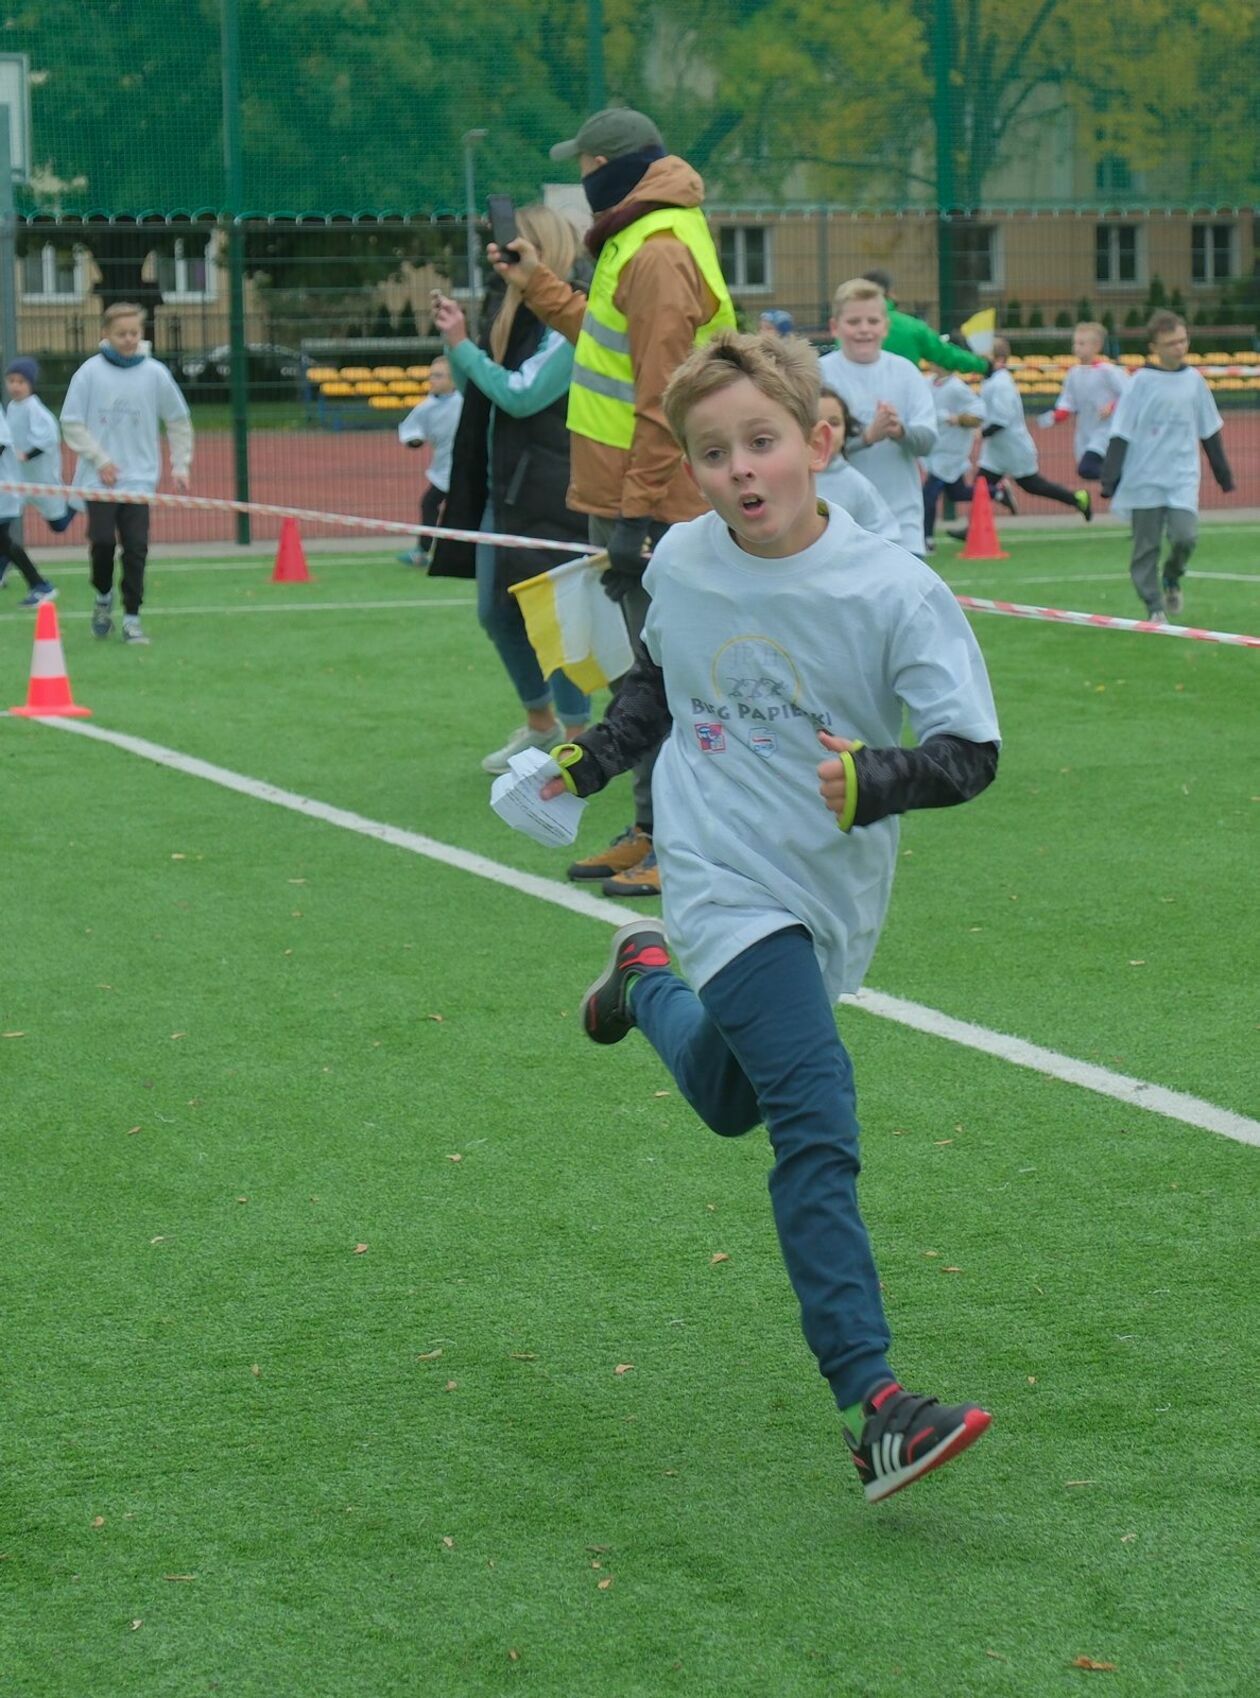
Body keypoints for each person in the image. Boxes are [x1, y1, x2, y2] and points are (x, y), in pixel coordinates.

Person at [534, 330, 999, 1503]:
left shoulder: (896, 586)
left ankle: (643, 982)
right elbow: (658, 687)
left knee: (741, 1097)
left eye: (762, 442)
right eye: (713, 453)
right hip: (720, 874)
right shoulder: (685, 564)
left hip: (826, 890)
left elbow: (971, 753)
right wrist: (585, 765)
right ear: (691, 472)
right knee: (815, 1114)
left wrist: (875, 781)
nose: (740, 470)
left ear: (821, 443)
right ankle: (873, 1408)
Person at [486, 104, 736, 898]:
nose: (582, 184)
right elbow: (602, 337)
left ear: (615, 168)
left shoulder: (658, 250)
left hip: (656, 506)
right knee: (642, 679)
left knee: (672, 683)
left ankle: (684, 844)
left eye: (587, 169)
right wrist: (535, 283)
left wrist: (635, 514)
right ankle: (653, 830)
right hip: (633, 500)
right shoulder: (638, 238)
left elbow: (665, 398)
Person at [428, 206, 592, 772]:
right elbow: (495, 388)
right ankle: (542, 724)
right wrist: (458, 341)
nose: (501, 256)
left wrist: (463, 348)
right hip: (507, 492)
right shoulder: (516, 312)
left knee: (558, 618)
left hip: (551, 494)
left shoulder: (574, 319)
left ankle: (578, 735)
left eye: (512, 245)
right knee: (497, 613)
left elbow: (522, 394)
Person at [60, 302, 192, 646]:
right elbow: (71, 424)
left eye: (135, 332)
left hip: (139, 479)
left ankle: (132, 618)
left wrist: (181, 464)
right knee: (102, 543)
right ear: (106, 334)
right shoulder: (89, 373)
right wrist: (100, 459)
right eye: (122, 333)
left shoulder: (155, 373)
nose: (129, 339)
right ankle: (103, 597)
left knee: (136, 548)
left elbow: (178, 420)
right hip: (98, 480)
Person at [1101, 310, 1234, 623]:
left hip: (1182, 477)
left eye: (1183, 340)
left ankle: (1172, 576)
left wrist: (1223, 475)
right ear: (1154, 347)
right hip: (1144, 477)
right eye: (1171, 342)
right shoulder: (1140, 383)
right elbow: (1121, 431)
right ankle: (1154, 606)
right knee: (1146, 548)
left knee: (1186, 537)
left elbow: (1209, 431)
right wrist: (1110, 478)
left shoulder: (1195, 382)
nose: (1179, 347)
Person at [818, 280, 937, 554]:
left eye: (872, 321)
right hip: (836, 526)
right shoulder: (819, 375)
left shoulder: (905, 373)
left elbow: (928, 442)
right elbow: (807, 449)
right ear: (835, 327)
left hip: (901, 523)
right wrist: (868, 437)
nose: (864, 329)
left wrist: (900, 431)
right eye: (854, 321)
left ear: (885, 326)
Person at [950, 337, 1091, 536]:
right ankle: (973, 529)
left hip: (1014, 447)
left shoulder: (1002, 384)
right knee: (981, 483)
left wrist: (983, 432)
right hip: (997, 449)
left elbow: (1002, 419)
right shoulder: (991, 380)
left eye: (984, 358)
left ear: (999, 360)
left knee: (1032, 486)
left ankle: (1077, 499)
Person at [1037, 322, 1127, 481]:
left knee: (1087, 468)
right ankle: (1118, 482)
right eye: (1075, 343)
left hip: (1107, 430)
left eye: (1082, 343)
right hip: (1085, 431)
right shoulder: (1073, 373)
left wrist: (1112, 406)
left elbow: (1128, 394)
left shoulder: (1108, 371)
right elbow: (1067, 403)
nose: (1076, 347)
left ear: (1096, 346)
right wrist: (1054, 417)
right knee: (1092, 471)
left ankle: (1123, 478)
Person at [396, 354, 462, 566]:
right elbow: (411, 431)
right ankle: (422, 551)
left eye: (439, 376)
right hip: (443, 470)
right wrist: (414, 440)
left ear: (453, 380)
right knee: (429, 504)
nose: (432, 380)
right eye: (431, 375)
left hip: (468, 469)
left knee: (462, 510)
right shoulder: (426, 407)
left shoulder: (465, 401)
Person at [860, 268, 988, 376]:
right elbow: (946, 355)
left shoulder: (849, 327)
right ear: (890, 292)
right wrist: (984, 365)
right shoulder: (911, 327)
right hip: (902, 397)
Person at [815, 387, 900, 542]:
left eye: (834, 423)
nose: (826, 431)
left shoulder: (856, 485)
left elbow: (887, 537)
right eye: (815, 422)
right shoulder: (781, 478)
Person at [4, 357, 76, 535]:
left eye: (21, 382)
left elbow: (49, 439)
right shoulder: (12, 407)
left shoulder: (35, 409)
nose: (15, 386)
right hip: (19, 477)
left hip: (43, 478)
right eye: (11, 381)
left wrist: (27, 455)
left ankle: (77, 500)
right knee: (5, 527)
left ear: (31, 384)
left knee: (58, 526)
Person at [920, 363, 988, 550]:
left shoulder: (957, 388)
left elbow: (979, 413)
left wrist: (955, 418)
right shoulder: (926, 383)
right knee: (957, 493)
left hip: (950, 451)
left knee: (928, 495)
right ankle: (996, 491)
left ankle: (927, 538)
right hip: (934, 449)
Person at [0, 388, 57, 606]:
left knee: (3, 541)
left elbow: (2, 443)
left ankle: (40, 585)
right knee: (3, 542)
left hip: (4, 490)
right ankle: (39, 585)